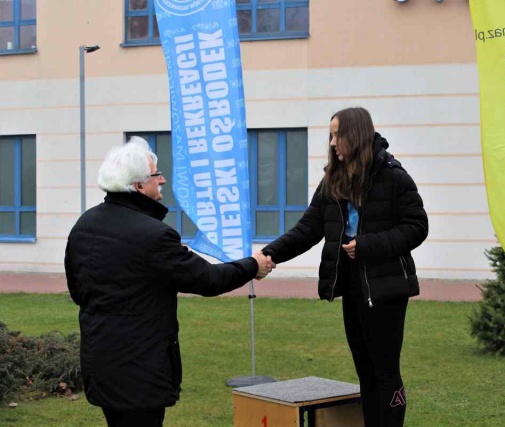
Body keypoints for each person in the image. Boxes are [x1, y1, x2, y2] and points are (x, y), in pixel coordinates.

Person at [64, 137, 270, 427]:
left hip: (101, 362)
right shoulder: (154, 236)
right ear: (138, 185)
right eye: (156, 174)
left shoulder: (84, 225)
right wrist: (253, 265)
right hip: (140, 368)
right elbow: (208, 280)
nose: (162, 179)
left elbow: (78, 290)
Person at [261, 107, 428, 426]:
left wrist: (367, 245)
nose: (332, 142)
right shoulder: (332, 181)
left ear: (356, 134)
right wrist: (269, 254)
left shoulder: (393, 176)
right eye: (330, 135)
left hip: (386, 288)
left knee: (385, 371)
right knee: (365, 370)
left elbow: (417, 227)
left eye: (337, 135)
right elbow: (307, 228)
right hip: (352, 287)